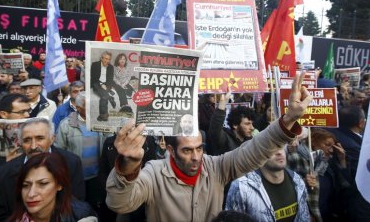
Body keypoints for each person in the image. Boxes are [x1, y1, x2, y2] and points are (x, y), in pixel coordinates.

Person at [105, 72, 313, 222]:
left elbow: (255, 151)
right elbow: (120, 204)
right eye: (187, 150)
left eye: (199, 148)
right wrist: (128, 167)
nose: (196, 157)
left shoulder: (215, 168)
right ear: (170, 151)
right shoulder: (153, 173)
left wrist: (287, 121)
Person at [0, 117, 85, 222]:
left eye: (40, 138)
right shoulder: (5, 172)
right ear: (20, 142)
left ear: (52, 139)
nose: (33, 146)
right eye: (27, 140)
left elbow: (76, 206)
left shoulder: (70, 163)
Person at [7, 152, 97, 222]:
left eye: (43, 184)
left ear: (59, 185)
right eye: (25, 185)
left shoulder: (81, 215)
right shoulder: (15, 217)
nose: (31, 194)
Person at [225, 148, 310, 221]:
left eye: (280, 146)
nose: (279, 152)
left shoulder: (297, 180)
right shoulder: (242, 187)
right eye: (272, 148)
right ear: (259, 155)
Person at [55, 91, 102, 213]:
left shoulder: (101, 123)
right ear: (78, 107)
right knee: (77, 208)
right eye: (89, 106)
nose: (94, 109)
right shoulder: (66, 125)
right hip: (74, 177)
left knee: (95, 207)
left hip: (96, 177)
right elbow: (59, 152)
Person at [328, 105, 370, 221]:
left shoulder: (338, 133)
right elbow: (358, 175)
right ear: (361, 123)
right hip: (354, 202)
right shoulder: (354, 147)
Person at [90, 51, 116, 122]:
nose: (107, 61)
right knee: (104, 95)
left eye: (109, 59)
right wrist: (101, 85)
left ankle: (103, 116)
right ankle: (110, 98)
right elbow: (93, 78)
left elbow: (110, 80)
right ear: (101, 58)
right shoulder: (95, 65)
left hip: (106, 85)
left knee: (104, 97)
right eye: (105, 59)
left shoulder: (110, 67)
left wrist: (107, 87)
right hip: (97, 83)